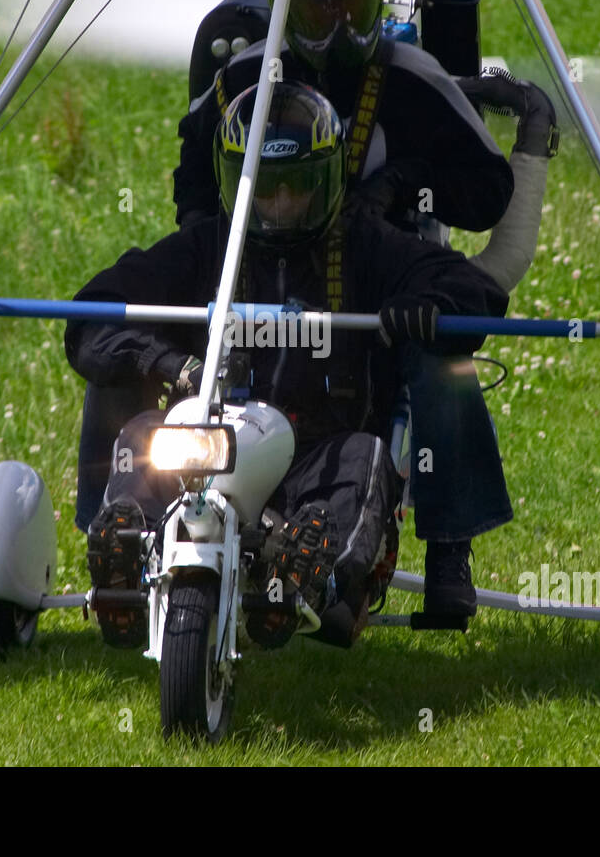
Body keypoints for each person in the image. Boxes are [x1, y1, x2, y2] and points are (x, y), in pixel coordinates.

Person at [65, 82, 508, 649]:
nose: (277, 206)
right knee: (144, 433)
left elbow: (471, 287)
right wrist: (168, 363)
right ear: (233, 184)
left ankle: (308, 578)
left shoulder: (367, 245)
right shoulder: (206, 249)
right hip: (205, 448)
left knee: (367, 456)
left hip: (320, 458)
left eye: (295, 187)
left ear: (328, 181)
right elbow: (91, 314)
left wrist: (425, 307)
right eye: (262, 190)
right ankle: (129, 557)